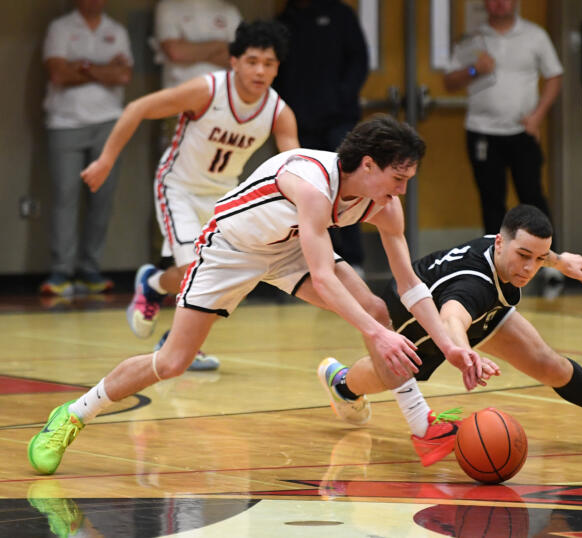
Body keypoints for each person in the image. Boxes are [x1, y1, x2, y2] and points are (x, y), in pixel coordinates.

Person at [27, 115, 486, 476]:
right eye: (398, 178)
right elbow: (324, 278)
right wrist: (376, 336)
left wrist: (450, 346)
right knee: (172, 363)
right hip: (230, 250)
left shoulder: (384, 204)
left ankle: (420, 425)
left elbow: (410, 285)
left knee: (374, 308)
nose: (403, 190)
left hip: (288, 250)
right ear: (368, 165)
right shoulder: (311, 183)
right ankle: (71, 414)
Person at [318, 204, 582, 467]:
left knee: (549, 363)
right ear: (500, 243)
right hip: (416, 319)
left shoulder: (505, 250)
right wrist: (466, 352)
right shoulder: (475, 283)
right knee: (393, 373)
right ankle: (343, 382)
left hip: (479, 310)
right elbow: (452, 317)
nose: (530, 268)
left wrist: (560, 261)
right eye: (523, 257)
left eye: (539, 258)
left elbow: (533, 250)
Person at [81, 20, 300, 371]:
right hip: (178, 187)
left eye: (269, 64)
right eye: (252, 61)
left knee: (229, 277)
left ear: (278, 68)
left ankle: (177, 340)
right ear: (234, 62)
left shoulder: (279, 112)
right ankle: (153, 283)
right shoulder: (207, 90)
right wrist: (106, 160)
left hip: (226, 196)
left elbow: (294, 170)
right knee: (191, 271)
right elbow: (137, 108)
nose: (260, 71)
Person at [442, 0, 562, 239]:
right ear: (485, 4)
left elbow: (554, 76)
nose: (500, 3)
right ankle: (496, 263)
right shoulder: (471, 39)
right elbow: (449, 82)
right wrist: (474, 69)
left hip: (522, 131)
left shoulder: (535, 35)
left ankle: (548, 259)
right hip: (482, 131)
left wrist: (538, 116)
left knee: (532, 196)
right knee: (491, 200)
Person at [39, 0, 133, 296]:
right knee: (65, 195)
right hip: (65, 122)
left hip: (108, 123)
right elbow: (58, 74)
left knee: (102, 197)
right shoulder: (61, 27)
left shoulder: (115, 30)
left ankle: (90, 268)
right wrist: (105, 70)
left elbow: (124, 76)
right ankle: (61, 271)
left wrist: (82, 66)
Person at [273, 0, 369, 275]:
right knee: (305, 191)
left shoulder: (340, 14)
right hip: (300, 125)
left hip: (339, 121)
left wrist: (340, 97)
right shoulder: (285, 21)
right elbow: (277, 73)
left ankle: (353, 260)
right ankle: (311, 260)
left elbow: (358, 60)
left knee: (349, 186)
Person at [153, 0, 242, 91]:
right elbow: (176, 52)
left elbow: (240, 58)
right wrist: (221, 47)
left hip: (222, 93)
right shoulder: (168, 6)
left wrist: (192, 50)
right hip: (180, 93)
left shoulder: (228, 10)